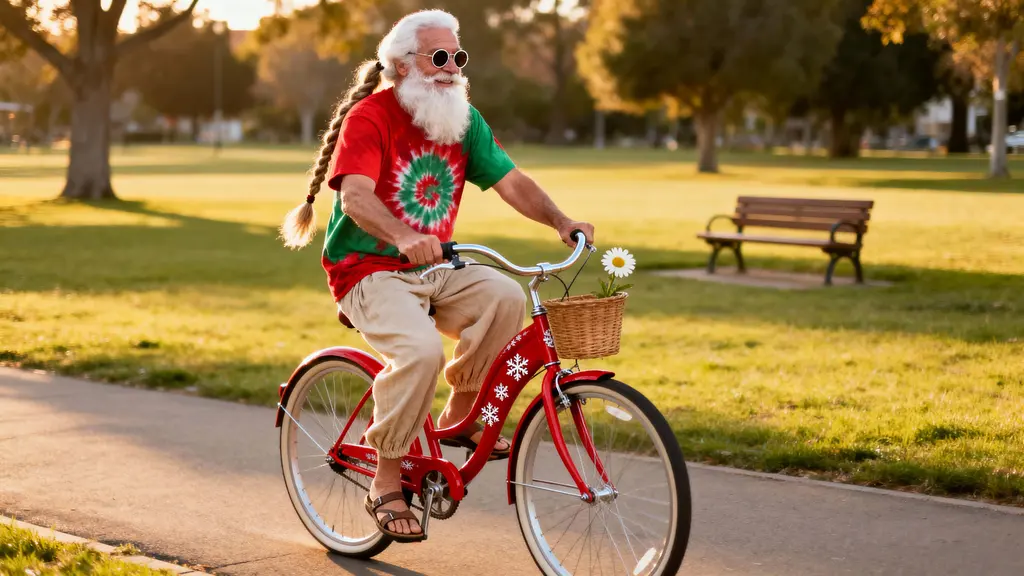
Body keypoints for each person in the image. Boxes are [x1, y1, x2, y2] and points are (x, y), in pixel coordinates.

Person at [278, 9, 594, 542]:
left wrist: (560, 220)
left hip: (436, 267)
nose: (450, 69)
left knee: (503, 296)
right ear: (402, 66)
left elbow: (512, 181)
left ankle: (463, 414)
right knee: (421, 351)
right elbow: (354, 196)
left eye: (457, 57)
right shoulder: (371, 118)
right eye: (438, 58)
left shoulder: (462, 121)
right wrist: (402, 235)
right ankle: (385, 479)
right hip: (368, 271)